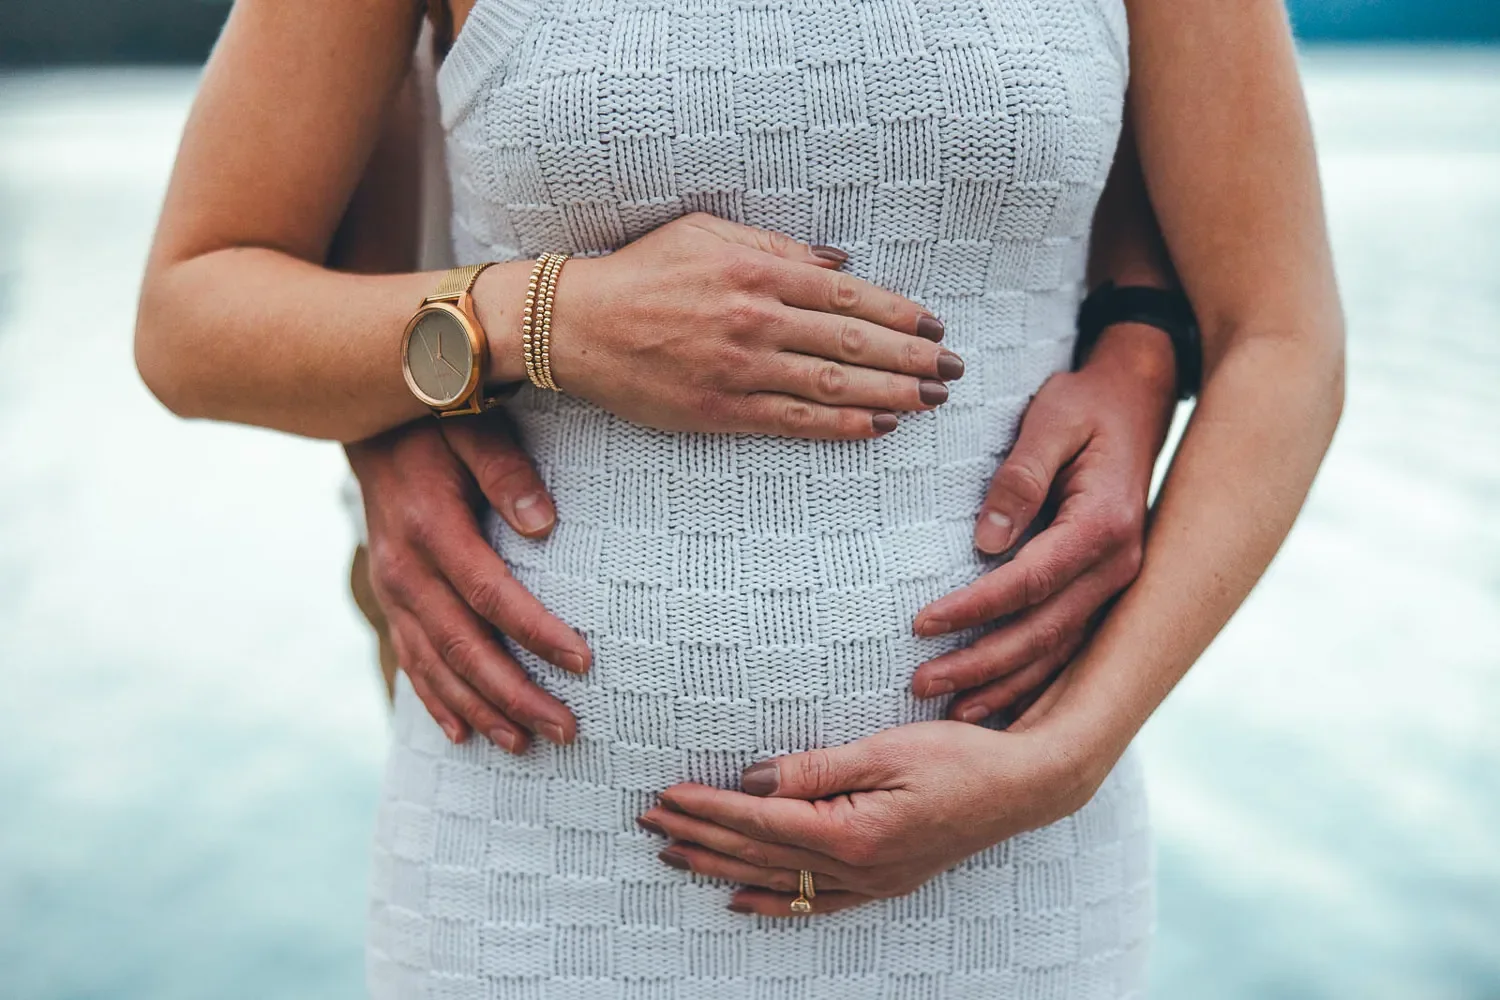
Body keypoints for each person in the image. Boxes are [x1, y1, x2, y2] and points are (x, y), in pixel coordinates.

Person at [135, 0, 1343, 995]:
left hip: (1006, 877)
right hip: (534, 874)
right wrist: (546, 319)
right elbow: (193, 313)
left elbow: (1280, 337)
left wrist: (1067, 758)